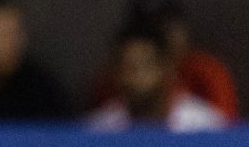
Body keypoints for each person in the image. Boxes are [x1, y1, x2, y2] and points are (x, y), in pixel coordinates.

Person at [90, 0, 240, 120]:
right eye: (148, 28)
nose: (162, 36)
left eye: (167, 27)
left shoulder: (207, 72)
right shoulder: (110, 82)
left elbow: (227, 128)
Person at [88, 22, 225, 131]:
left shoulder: (206, 126)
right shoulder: (99, 130)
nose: (135, 77)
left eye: (144, 66)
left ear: (167, 69)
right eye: (126, 68)